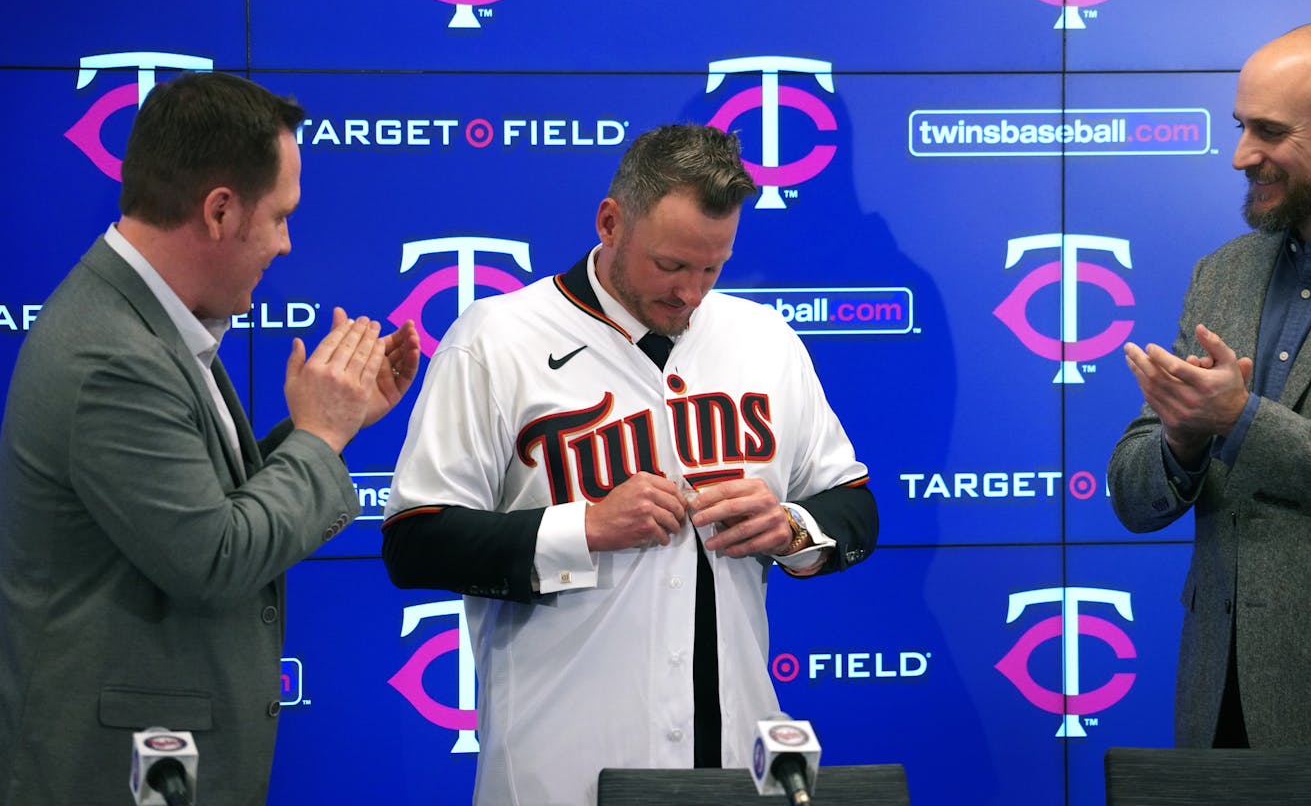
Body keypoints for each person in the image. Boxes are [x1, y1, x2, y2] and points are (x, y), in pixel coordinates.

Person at [383, 123, 878, 806]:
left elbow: (853, 507)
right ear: (611, 223)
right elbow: (416, 542)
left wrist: (790, 528)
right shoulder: (496, 341)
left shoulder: (764, 341)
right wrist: (582, 528)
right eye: (671, 266)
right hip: (557, 768)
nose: (690, 293)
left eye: (713, 268)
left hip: (737, 759)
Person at [0, 72, 421, 806]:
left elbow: (188, 498)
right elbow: (215, 555)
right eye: (282, 217)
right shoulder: (111, 355)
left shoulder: (139, 323)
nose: (288, 245)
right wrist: (319, 437)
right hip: (120, 773)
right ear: (221, 210)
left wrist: (334, 421)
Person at [1108, 22, 1311, 795]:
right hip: (1218, 711)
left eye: (1270, 132)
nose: (1242, 154)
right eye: (1240, 127)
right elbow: (1133, 497)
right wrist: (1181, 442)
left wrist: (1241, 422)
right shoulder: (1222, 273)